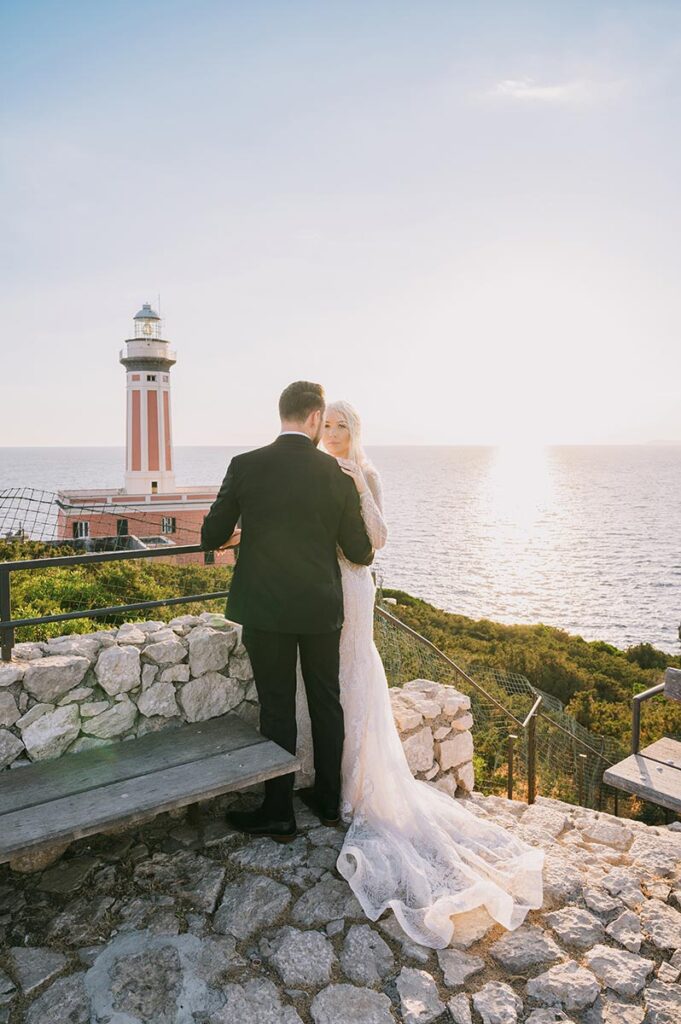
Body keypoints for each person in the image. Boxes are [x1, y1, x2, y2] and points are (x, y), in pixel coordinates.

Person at [294, 400, 546, 948]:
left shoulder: (368, 472)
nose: (332, 434)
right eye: (327, 425)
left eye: (342, 426)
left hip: (353, 586)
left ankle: (355, 784)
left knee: (352, 674)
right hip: (317, 587)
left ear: (354, 431)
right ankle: (321, 769)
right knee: (322, 680)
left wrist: (359, 485)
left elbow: (378, 539)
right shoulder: (312, 467)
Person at [200, 381, 374, 842]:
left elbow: (211, 535)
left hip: (266, 609)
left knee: (276, 709)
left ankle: (278, 810)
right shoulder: (336, 475)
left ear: (283, 414)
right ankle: (329, 802)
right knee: (326, 703)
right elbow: (360, 552)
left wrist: (246, 531)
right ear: (316, 417)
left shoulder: (245, 465)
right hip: (321, 608)